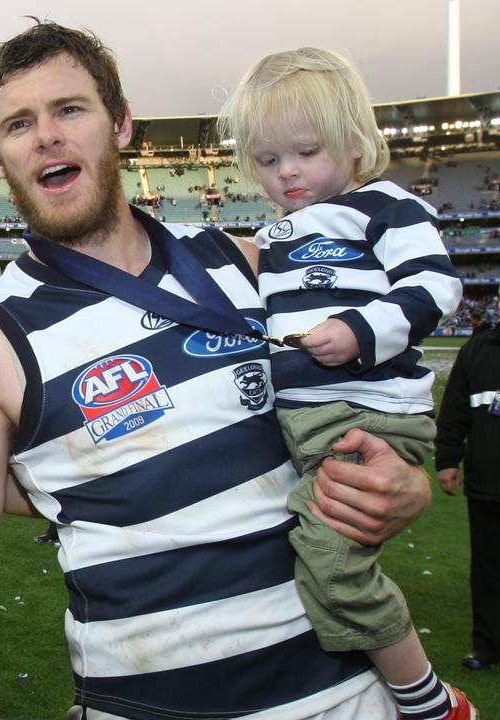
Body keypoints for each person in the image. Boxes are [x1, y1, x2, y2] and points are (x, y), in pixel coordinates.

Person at [0, 22, 435, 719]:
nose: (46, 136)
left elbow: (366, 405)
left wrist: (402, 483)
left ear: (120, 123)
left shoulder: (246, 265)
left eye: (70, 109)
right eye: (19, 124)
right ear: (0, 158)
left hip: (347, 697)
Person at [218, 47, 470, 719]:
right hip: (305, 414)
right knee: (284, 543)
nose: (287, 173)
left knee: (331, 558)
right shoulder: (273, 237)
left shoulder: (386, 206)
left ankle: (429, 700)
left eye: (304, 152)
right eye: (268, 161)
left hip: (365, 409)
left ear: (356, 144)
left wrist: (361, 330)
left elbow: (436, 284)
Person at [435, 325, 500, 673]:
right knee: (488, 570)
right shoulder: (476, 351)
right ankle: (487, 645)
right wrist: (447, 459)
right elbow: (455, 407)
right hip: (488, 481)